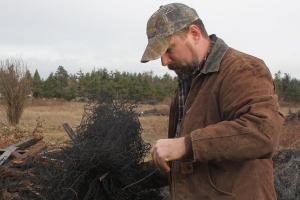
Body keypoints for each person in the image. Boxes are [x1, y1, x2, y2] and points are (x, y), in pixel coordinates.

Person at [140, 3, 284, 200]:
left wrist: (185, 145)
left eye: (169, 49)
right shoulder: (187, 84)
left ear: (195, 33)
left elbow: (263, 132)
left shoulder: (242, 69)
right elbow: (189, 162)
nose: (164, 62)